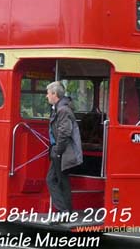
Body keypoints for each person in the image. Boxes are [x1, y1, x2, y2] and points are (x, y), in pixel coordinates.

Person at [45, 81, 83, 213]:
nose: (47, 96)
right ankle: (67, 211)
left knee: (53, 180)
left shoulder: (62, 110)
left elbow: (65, 132)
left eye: (48, 93)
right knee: (61, 180)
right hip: (60, 151)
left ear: (55, 94)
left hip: (62, 152)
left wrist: (57, 150)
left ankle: (64, 211)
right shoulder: (61, 108)